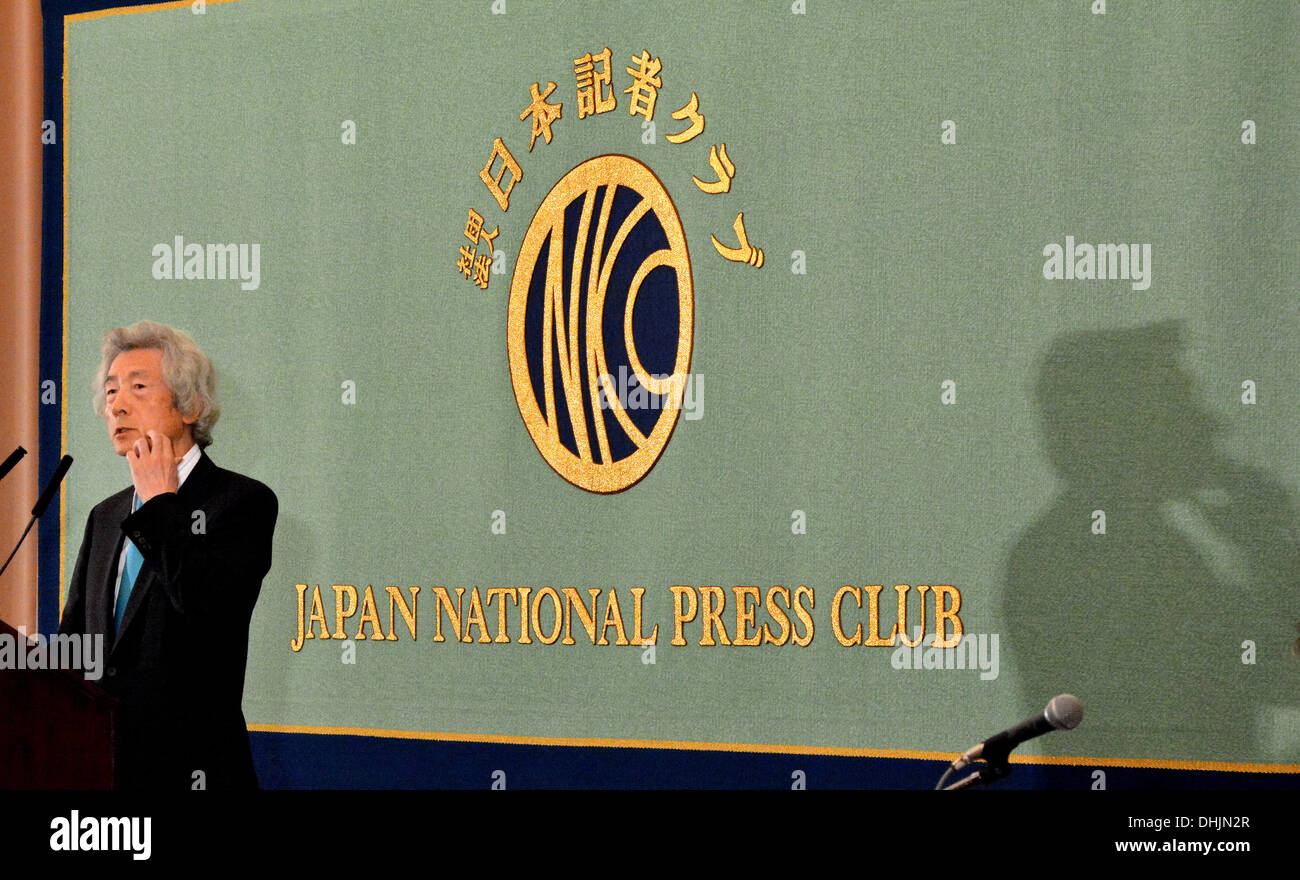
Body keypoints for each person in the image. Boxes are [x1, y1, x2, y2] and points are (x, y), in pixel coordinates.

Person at [58, 321, 277, 789]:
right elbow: (75, 644)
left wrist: (161, 504)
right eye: (111, 391)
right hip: (104, 772)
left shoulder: (242, 502)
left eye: (138, 387)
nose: (116, 404)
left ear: (190, 406)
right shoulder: (106, 515)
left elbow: (207, 610)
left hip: (193, 769)